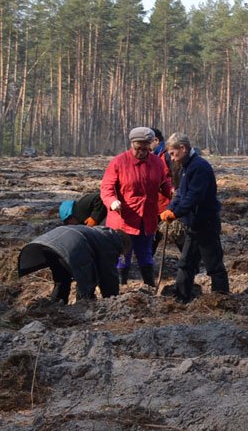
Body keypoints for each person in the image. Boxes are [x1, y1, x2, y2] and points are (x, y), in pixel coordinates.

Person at [160, 132, 230, 302]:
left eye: (172, 153)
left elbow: (194, 196)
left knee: (213, 265)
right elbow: (180, 194)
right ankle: (181, 299)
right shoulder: (186, 167)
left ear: (183, 148)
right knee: (186, 263)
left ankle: (221, 300)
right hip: (194, 224)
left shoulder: (199, 167)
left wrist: (176, 213)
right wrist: (170, 208)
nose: (172, 158)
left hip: (205, 224)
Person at [102, 127, 172, 287]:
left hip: (147, 218)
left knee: (146, 254)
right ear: (131, 144)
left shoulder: (156, 163)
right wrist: (112, 201)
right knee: (122, 256)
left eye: (145, 149)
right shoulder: (119, 162)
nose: (140, 152)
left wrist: (172, 192)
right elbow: (106, 188)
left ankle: (149, 286)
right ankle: (120, 287)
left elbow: (164, 183)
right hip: (123, 219)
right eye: (137, 148)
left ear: (150, 145)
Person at [17, 226, 131, 303]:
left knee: (62, 281)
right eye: (121, 255)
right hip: (72, 246)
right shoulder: (110, 244)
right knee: (86, 284)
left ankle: (55, 308)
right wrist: (113, 300)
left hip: (50, 243)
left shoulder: (97, 233)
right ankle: (81, 312)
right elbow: (108, 277)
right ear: (122, 247)